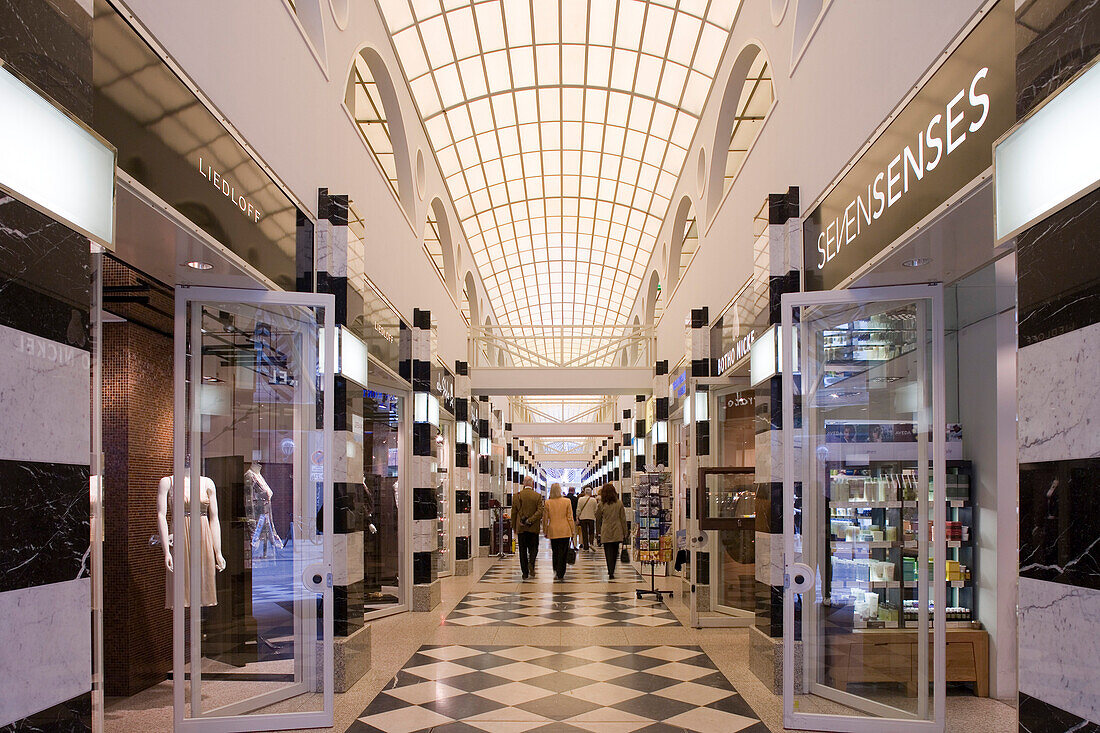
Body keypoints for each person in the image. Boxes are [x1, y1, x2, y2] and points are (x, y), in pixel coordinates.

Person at [511, 475, 544, 580]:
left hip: (521, 528)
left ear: (524, 484)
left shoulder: (516, 496)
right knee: (534, 548)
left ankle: (524, 573)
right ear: (532, 484)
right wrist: (531, 520)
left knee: (522, 550)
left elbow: (513, 513)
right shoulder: (537, 496)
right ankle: (531, 563)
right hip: (533, 528)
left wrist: (514, 527)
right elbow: (540, 512)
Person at [543, 483, 576, 581]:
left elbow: (545, 519)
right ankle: (561, 572)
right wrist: (572, 530)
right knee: (563, 551)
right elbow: (570, 517)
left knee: (555, 551)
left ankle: (556, 568)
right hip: (565, 530)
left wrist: (545, 530)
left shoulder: (548, 502)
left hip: (553, 530)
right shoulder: (567, 501)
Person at [595, 482, 627, 580]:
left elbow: (598, 519)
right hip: (617, 530)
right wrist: (625, 532)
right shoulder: (619, 503)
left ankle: (610, 570)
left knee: (608, 551)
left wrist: (598, 532)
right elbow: (623, 519)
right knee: (615, 551)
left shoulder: (601, 505)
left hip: (606, 530)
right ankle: (612, 569)